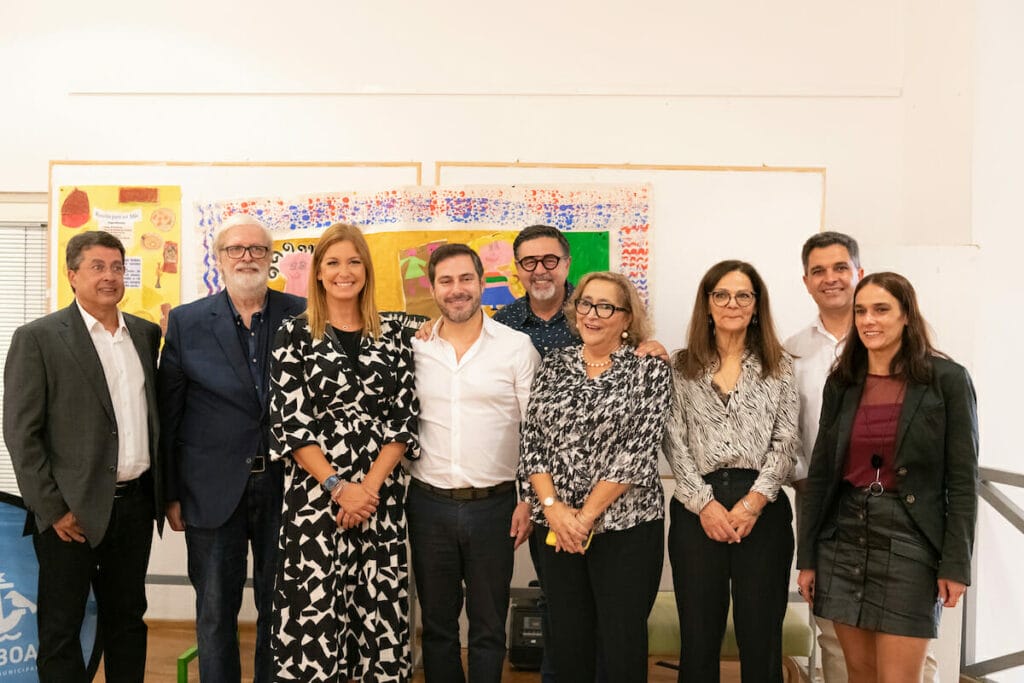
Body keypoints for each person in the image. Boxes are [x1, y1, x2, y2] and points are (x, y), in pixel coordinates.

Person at [796, 273, 978, 682]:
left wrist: (956, 563)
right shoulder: (841, 383)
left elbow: (963, 481)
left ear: (907, 316)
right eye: (861, 311)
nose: (868, 320)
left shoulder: (947, 380)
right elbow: (822, 474)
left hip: (911, 540)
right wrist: (807, 558)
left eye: (881, 309)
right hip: (843, 537)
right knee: (857, 675)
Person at [3, 230, 163, 682]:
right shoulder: (39, 338)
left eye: (117, 267)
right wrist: (53, 508)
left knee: (128, 621)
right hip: (69, 517)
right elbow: (21, 433)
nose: (109, 277)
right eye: (97, 267)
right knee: (61, 628)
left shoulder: (145, 334)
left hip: (134, 507)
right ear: (72, 275)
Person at [785, 231, 941, 682]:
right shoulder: (792, 350)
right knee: (835, 632)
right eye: (818, 271)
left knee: (909, 640)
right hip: (826, 501)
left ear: (859, 272)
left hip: (904, 509)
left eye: (839, 268)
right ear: (806, 281)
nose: (830, 278)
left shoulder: (909, 350)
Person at [268, 223, 419, 682]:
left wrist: (366, 490)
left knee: (378, 612)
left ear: (367, 271)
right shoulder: (292, 334)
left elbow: (404, 418)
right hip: (316, 501)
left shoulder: (394, 335)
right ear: (317, 273)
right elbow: (290, 424)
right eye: (333, 262)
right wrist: (339, 488)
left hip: (380, 500)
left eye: (354, 261)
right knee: (317, 613)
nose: (344, 271)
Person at [158, 214, 305, 682]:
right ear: (219, 259)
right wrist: (170, 494)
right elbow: (169, 415)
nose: (247, 257)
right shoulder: (187, 322)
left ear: (271, 258)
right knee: (215, 613)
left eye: (257, 249)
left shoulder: (303, 313)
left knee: (281, 612)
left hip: (288, 487)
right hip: (210, 490)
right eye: (235, 249)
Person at [519, 271, 671, 683]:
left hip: (626, 530)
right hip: (556, 529)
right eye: (586, 303)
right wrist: (553, 509)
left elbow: (636, 453)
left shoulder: (648, 370)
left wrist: (583, 517)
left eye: (607, 307)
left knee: (620, 648)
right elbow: (532, 440)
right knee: (568, 645)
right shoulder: (554, 364)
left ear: (627, 318)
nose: (593, 314)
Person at [407, 243, 539, 682]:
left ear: (483, 283)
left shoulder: (517, 347)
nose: (457, 289)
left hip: (495, 506)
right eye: (446, 280)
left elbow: (535, 431)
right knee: (438, 625)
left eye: (466, 279)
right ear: (433, 288)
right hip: (428, 505)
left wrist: (529, 501)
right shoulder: (414, 347)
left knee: (487, 625)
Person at [665, 259, 800, 683]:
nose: (732, 303)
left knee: (761, 636)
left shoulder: (780, 366)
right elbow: (673, 440)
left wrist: (752, 503)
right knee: (699, 633)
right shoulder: (680, 365)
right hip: (696, 507)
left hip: (762, 507)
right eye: (721, 294)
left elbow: (786, 443)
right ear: (707, 304)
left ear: (756, 305)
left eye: (743, 295)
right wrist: (704, 505)